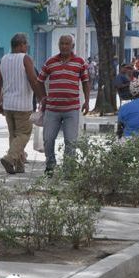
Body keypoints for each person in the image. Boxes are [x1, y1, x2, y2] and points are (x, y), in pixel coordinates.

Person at [37, 35, 90, 175]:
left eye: (67, 44)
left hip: (71, 110)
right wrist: (43, 98)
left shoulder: (80, 62)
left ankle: (68, 171)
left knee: (70, 141)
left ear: (72, 46)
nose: (64, 46)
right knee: (48, 140)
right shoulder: (50, 62)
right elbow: (40, 80)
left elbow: (86, 82)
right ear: (58, 45)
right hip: (52, 109)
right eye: (62, 43)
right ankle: (50, 165)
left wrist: (87, 101)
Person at [0, 33, 44, 174]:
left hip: (8, 105)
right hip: (23, 105)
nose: (27, 46)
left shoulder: (3, 59)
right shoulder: (25, 59)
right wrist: (41, 98)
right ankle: (10, 158)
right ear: (21, 45)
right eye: (26, 44)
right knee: (23, 134)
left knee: (13, 135)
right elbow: (33, 80)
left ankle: (19, 165)